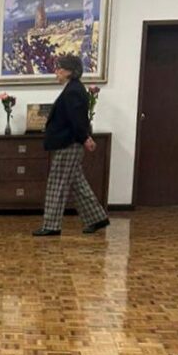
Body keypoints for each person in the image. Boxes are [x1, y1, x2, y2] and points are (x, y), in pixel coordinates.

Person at [33, 53, 110, 236]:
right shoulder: (73, 88)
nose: (56, 72)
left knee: (57, 184)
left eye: (59, 68)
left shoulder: (73, 90)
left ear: (69, 71)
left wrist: (84, 138)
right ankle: (97, 218)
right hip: (69, 143)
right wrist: (84, 138)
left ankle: (51, 225)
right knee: (77, 182)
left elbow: (77, 119)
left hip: (68, 143)